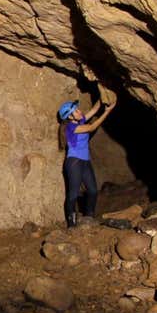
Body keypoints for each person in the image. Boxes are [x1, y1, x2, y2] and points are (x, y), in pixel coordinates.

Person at [57, 94, 117, 228]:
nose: (80, 111)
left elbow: (95, 109)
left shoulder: (80, 120)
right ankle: (71, 224)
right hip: (74, 163)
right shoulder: (71, 128)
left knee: (93, 191)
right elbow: (92, 127)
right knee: (72, 193)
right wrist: (107, 111)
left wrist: (102, 94)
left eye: (78, 109)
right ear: (70, 117)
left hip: (85, 161)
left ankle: (89, 218)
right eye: (76, 111)